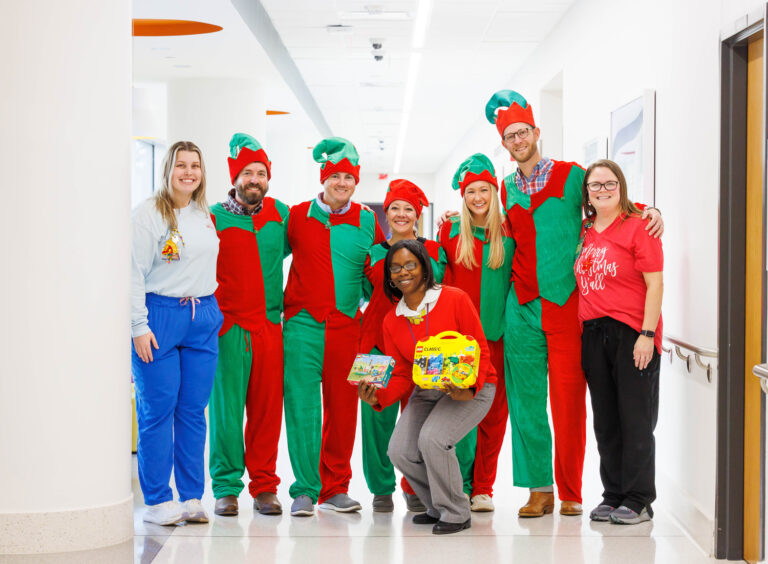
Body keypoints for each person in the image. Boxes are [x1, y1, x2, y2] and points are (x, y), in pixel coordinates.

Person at [483, 89, 664, 517]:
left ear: (536, 132)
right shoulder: (506, 188)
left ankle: (571, 492)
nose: (518, 140)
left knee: (569, 404)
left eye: (523, 132)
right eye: (510, 136)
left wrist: (650, 211)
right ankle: (539, 489)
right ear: (504, 143)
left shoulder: (571, 176)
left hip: (567, 306)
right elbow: (498, 233)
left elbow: (609, 202)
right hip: (522, 306)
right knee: (527, 405)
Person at [358, 239, 496, 535]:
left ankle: (456, 511)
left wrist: (468, 390)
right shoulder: (392, 320)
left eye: (410, 264)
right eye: (395, 268)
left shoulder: (454, 298)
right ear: (389, 276)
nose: (403, 272)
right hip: (427, 391)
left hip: (472, 387)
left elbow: (481, 351)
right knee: (399, 450)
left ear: (424, 268)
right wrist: (376, 396)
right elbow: (402, 375)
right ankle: (437, 505)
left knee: (433, 439)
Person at [283, 137, 385, 516]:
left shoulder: (367, 220)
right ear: (323, 178)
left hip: (347, 327)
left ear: (356, 182)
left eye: (349, 177)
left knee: (343, 410)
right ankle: (305, 489)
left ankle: (336, 487)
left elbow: (382, 271)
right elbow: (266, 255)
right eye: (335, 176)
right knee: (303, 408)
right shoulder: (296, 216)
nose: (342, 183)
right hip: (302, 326)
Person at [131, 141, 223, 525]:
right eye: (181, 165)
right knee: (157, 409)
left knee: (193, 411)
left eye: (195, 166)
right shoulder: (148, 215)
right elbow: (132, 273)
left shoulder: (203, 214)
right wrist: (138, 326)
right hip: (161, 316)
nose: (188, 172)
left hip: (203, 315)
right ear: (167, 169)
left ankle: (191, 497)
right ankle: (156, 500)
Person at [574, 159, 663, 525]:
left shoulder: (640, 225)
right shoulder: (585, 230)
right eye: (595, 185)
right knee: (606, 422)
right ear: (587, 193)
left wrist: (647, 335)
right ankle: (613, 494)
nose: (603, 190)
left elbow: (655, 284)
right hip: (593, 335)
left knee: (636, 419)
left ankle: (639, 499)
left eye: (610, 183)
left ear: (621, 186)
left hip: (632, 333)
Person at [208, 133, 290, 517]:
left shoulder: (281, 215)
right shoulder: (212, 217)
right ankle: (226, 487)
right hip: (229, 329)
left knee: (266, 411)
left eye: (261, 173)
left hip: (269, 327)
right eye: (248, 173)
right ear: (235, 177)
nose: (254, 179)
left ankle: (264, 486)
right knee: (226, 411)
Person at [360, 179, 451, 513]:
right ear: (386, 213)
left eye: (408, 209)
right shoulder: (373, 252)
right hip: (377, 345)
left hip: (422, 346)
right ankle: (381, 489)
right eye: (394, 208)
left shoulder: (436, 250)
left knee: (419, 417)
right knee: (375, 419)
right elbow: (367, 293)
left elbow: (442, 294)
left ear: (418, 214)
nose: (401, 214)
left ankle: (414, 486)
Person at [437, 154, 514, 512]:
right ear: (463, 195)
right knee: (461, 414)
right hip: (461, 342)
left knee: (495, 416)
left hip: (498, 337)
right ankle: (462, 485)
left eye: (484, 190)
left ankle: (483, 487)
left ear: (494, 192)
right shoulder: (450, 231)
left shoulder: (510, 229)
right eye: (471, 191)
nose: (478, 197)